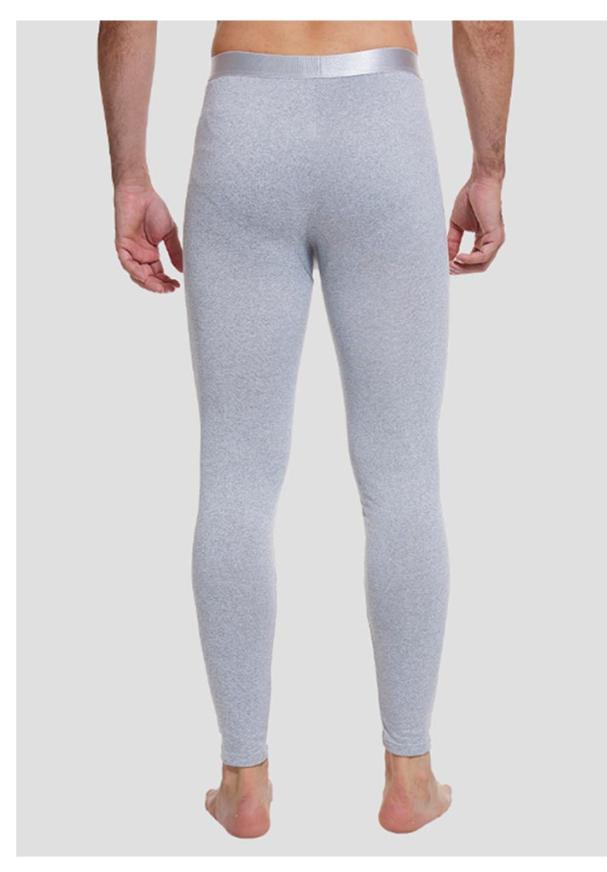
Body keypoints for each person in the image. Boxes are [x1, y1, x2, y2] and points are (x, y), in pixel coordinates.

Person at [98, 19, 514, 838]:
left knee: (235, 476)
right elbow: (486, 23)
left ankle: (243, 781)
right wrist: (489, 167)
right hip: (383, 122)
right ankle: (410, 775)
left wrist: (130, 177)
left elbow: (126, 18)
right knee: (403, 475)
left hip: (244, 120)